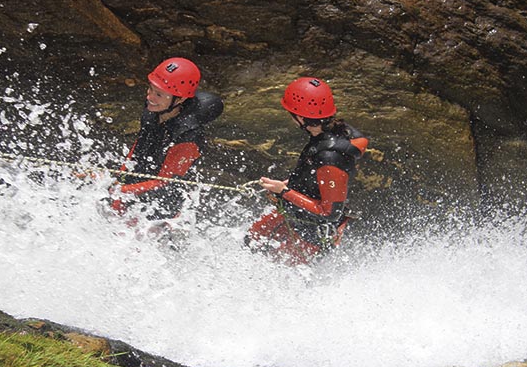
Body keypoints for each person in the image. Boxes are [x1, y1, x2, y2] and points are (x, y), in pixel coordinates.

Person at [245, 77, 368, 265]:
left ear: (301, 117)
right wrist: (291, 184)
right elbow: (315, 175)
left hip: (311, 232)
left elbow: (330, 213)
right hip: (297, 213)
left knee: (277, 269)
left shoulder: (330, 158)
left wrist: (284, 192)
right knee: (250, 242)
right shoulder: (331, 132)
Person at [109, 57, 223, 221]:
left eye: (159, 94)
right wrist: (119, 179)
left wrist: (122, 190)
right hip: (143, 183)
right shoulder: (154, 110)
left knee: (162, 198)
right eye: (151, 89)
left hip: (165, 201)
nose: (150, 97)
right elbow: (138, 148)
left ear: (180, 99)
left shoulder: (189, 136)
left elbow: (164, 182)